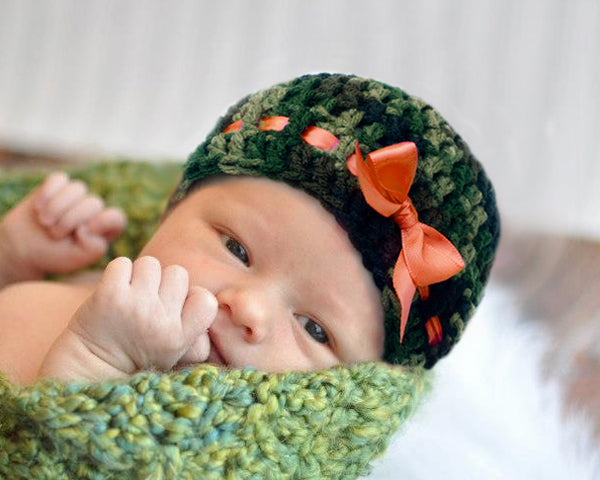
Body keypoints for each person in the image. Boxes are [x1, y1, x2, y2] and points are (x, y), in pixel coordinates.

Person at [0, 73, 500, 387]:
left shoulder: (221, 444)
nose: (250, 308)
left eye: (315, 329)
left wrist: (98, 362)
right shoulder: (108, 281)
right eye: (236, 248)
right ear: (169, 210)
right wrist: (15, 257)